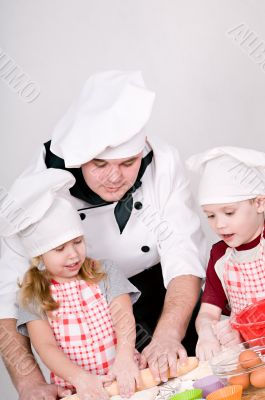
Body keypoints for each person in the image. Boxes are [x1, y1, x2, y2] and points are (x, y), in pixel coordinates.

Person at [0, 70, 206, 400]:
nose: (115, 178)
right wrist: (29, 381)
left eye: (128, 163)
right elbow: (7, 298)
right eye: (99, 165)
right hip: (85, 327)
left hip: (162, 294)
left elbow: (183, 251)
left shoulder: (163, 160)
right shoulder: (34, 189)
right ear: (79, 159)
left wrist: (169, 333)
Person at [1, 168, 141, 400]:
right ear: (39, 256)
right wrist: (81, 379)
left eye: (77, 242)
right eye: (59, 249)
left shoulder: (105, 271)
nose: (73, 255)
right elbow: (46, 346)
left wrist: (125, 358)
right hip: (79, 389)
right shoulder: (33, 294)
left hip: (125, 374)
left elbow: (124, 318)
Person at [186, 146, 265, 361]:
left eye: (229, 213)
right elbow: (208, 313)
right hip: (251, 357)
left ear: (259, 203)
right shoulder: (220, 256)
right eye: (210, 216)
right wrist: (206, 333)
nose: (219, 225)